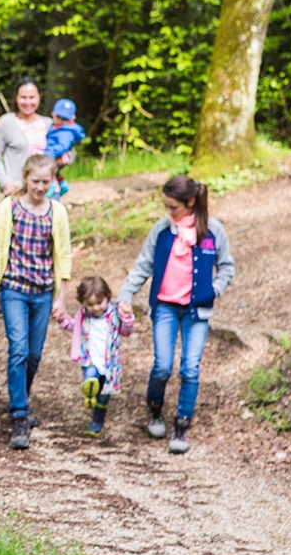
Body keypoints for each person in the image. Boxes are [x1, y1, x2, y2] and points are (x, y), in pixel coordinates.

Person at [116, 175, 235, 454]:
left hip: (197, 310)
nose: (168, 213)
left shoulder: (213, 230)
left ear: (190, 202)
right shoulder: (161, 230)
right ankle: (154, 409)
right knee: (162, 365)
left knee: (190, 367)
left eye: (173, 207)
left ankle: (182, 423)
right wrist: (125, 295)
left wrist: (214, 290)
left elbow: (227, 267)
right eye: (166, 207)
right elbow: (142, 265)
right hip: (165, 307)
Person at [0, 154, 71, 449]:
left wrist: (61, 297)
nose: (41, 187)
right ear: (25, 178)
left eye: (47, 182)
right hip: (13, 290)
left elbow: (64, 256)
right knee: (18, 349)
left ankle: (20, 396)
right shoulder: (9, 208)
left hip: (43, 292)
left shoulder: (56, 212)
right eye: (36, 181)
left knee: (34, 354)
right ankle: (20, 414)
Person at [60, 276, 135, 436]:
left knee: (104, 397)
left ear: (107, 297)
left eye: (99, 303)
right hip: (90, 359)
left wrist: (127, 318)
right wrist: (62, 319)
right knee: (91, 377)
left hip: (109, 363)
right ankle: (89, 389)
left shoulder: (115, 314)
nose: (95, 308)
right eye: (90, 304)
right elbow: (74, 327)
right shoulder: (83, 316)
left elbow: (126, 331)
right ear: (83, 303)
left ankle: (96, 421)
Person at [0, 77, 52, 196]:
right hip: (17, 191)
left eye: (32, 97)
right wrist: (5, 182)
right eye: (23, 97)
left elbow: (69, 152)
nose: (27, 102)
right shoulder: (6, 122)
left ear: (39, 97)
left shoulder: (49, 124)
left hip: (47, 191)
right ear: (16, 98)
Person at [44, 98, 85, 199]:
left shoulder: (67, 131)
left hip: (57, 155)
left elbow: (63, 146)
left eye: (65, 119)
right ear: (53, 114)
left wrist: (48, 155)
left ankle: (52, 186)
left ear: (72, 119)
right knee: (54, 170)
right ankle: (61, 183)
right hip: (55, 153)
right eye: (59, 117)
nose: (61, 121)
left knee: (48, 169)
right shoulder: (55, 127)